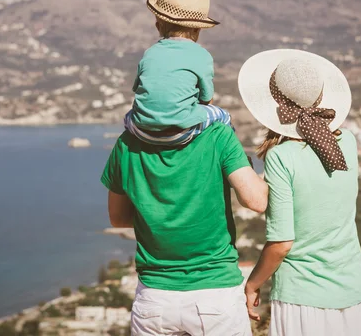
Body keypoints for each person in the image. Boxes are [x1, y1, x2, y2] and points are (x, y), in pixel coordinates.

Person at [238, 49, 361, 336]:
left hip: (303, 301)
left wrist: (252, 284)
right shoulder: (349, 143)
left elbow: (281, 243)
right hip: (356, 294)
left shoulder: (282, 158)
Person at [101, 121, 268, 335]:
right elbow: (257, 202)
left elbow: (118, 219)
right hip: (215, 292)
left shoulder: (127, 142)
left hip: (155, 296)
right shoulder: (218, 134)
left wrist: (161, 216)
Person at [124, 0, 233, 146]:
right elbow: (207, 100)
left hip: (141, 131)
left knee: (128, 115)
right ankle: (232, 156)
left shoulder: (149, 53)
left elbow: (138, 90)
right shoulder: (202, 55)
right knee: (224, 116)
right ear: (198, 29)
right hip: (181, 133)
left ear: (158, 26)